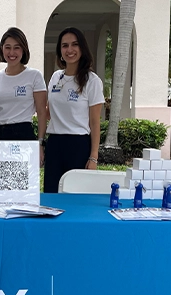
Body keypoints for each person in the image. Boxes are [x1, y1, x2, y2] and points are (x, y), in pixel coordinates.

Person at [43, 27, 105, 193]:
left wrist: (93, 157)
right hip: (54, 143)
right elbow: (48, 112)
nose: (69, 50)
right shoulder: (56, 77)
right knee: (52, 193)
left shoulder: (92, 81)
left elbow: (94, 122)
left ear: (82, 48)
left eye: (74, 44)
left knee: (75, 194)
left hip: (78, 145)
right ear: (60, 51)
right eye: (64, 46)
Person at [0, 27, 47, 146]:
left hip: (23, 133)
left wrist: (40, 142)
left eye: (16, 47)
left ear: (23, 49)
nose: (11, 52)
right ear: (2, 49)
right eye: (7, 47)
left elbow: (42, 112)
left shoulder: (34, 76)